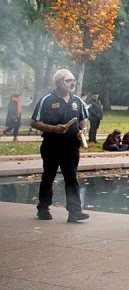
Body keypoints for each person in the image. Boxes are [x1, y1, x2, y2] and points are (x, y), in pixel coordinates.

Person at [30, 69, 90, 222]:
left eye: (73, 80)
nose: (72, 83)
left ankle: (74, 212)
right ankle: (43, 208)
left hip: (71, 147)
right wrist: (53, 129)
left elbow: (82, 120)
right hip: (52, 146)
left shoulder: (77, 101)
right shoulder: (47, 100)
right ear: (58, 83)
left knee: (71, 177)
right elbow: (34, 122)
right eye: (68, 80)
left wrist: (84, 131)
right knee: (48, 176)